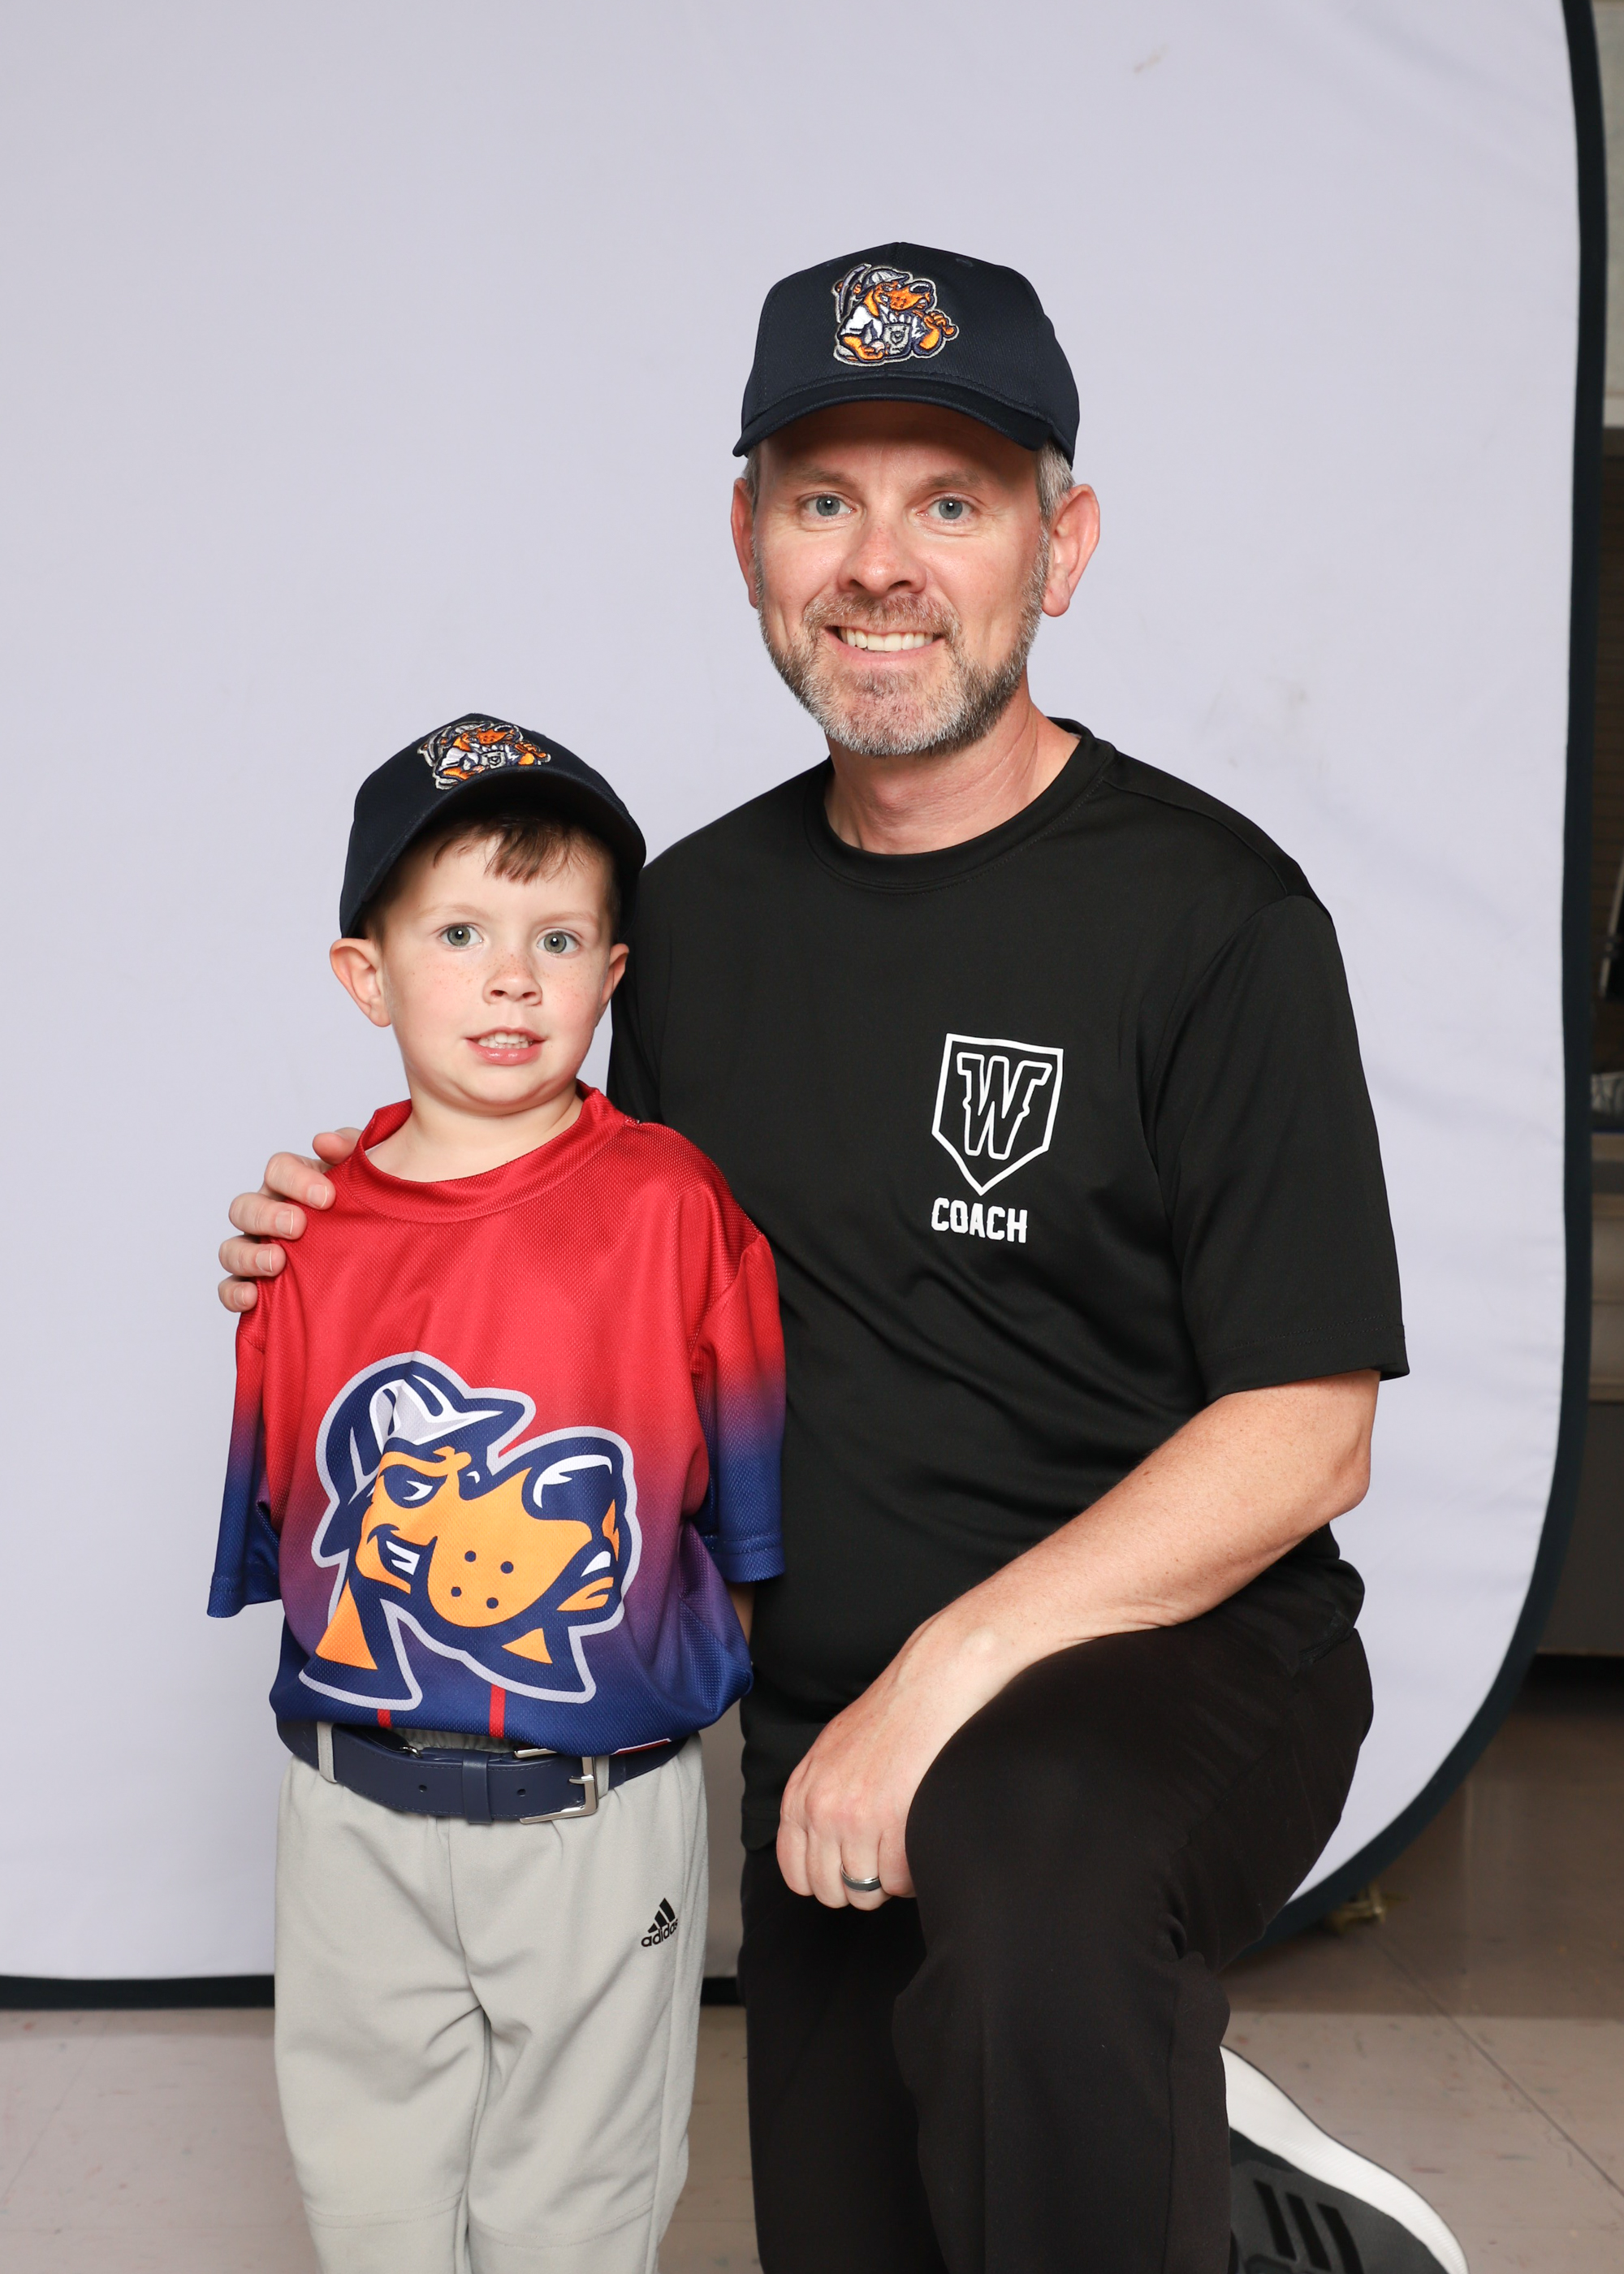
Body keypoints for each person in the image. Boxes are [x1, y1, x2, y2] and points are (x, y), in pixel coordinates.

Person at [219, 250, 1455, 2274]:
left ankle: (1134, 2101)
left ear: (1061, 548)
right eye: (823, 500)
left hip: (1167, 1673)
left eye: (951, 500)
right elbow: (542, 1218)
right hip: (826, 1740)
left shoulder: (1214, 916)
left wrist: (941, 1675)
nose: (880, 564)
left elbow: (1311, 1427)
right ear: (748, 544)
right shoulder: (693, 923)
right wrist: (331, 1223)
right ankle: (1199, 2167)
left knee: (1034, 1886)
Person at [208, 715, 784, 2274]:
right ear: (368, 974)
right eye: (459, 934)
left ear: (613, 973)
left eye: (558, 938)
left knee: (573, 2216)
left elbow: (743, 1508)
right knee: (371, 2203)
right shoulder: (305, 1232)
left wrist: (663, 1682)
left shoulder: (671, 1203)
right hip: (353, 1812)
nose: (512, 979)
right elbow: (299, 1530)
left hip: (594, 1814)